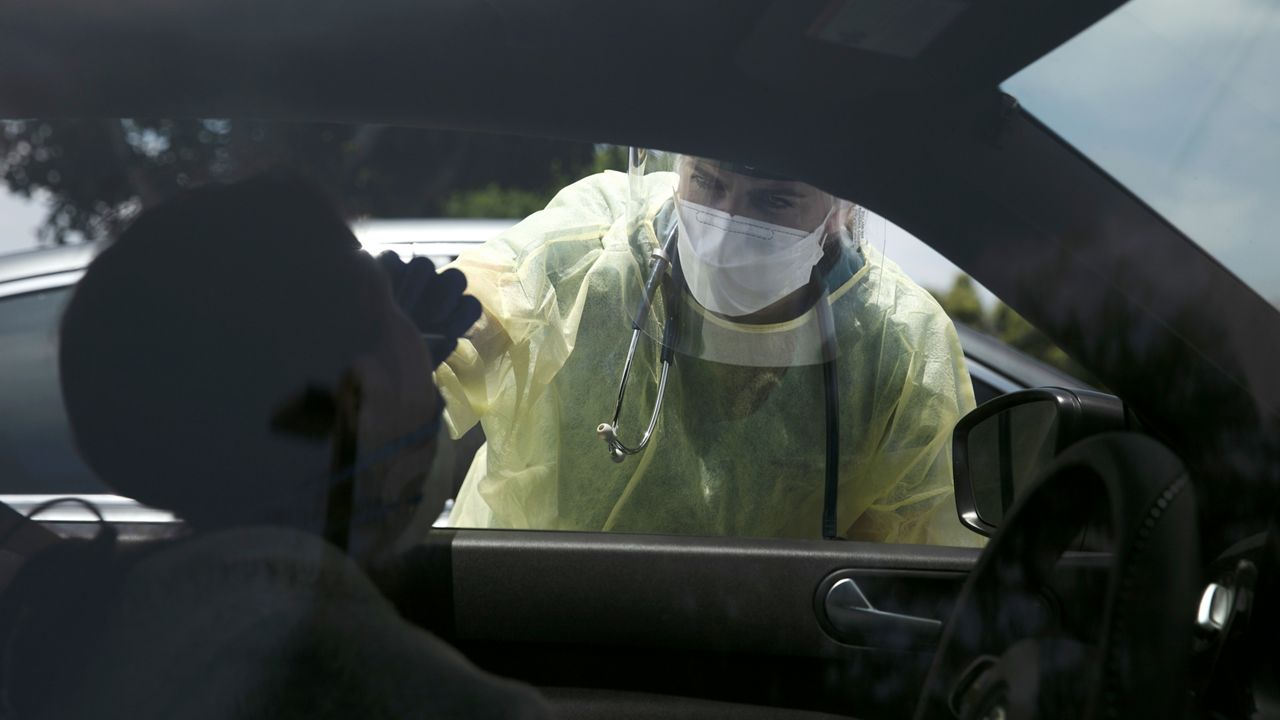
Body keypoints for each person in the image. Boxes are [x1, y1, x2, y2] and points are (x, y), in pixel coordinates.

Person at [0, 173, 548, 719]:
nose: (420, 348)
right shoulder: (346, 671)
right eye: (391, 319)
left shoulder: (95, 624)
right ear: (360, 393)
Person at [435, 152, 977, 544]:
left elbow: (912, 558)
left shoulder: (896, 343)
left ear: (839, 211)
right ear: (676, 172)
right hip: (519, 613)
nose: (726, 227)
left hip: (736, 660)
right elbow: (456, 335)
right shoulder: (592, 245)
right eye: (708, 183)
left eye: (773, 200)